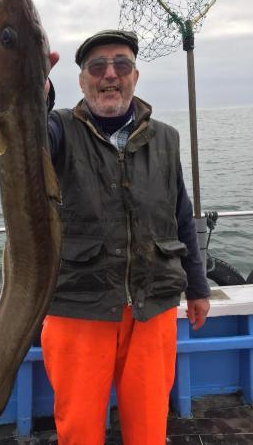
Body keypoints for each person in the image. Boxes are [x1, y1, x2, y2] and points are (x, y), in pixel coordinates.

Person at [42, 30, 210, 445]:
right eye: (97, 67)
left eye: (121, 65)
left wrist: (198, 286)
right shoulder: (58, 129)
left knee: (150, 427)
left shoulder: (166, 138)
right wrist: (31, 97)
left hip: (152, 306)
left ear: (135, 76)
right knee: (79, 429)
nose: (109, 75)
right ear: (81, 81)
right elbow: (25, 144)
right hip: (78, 306)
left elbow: (181, 215)